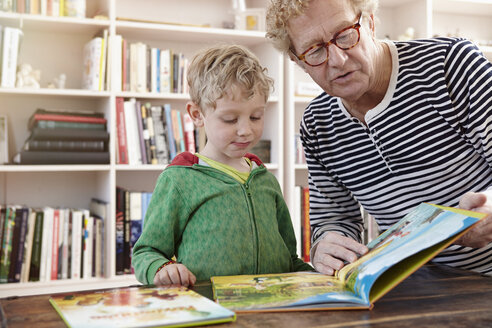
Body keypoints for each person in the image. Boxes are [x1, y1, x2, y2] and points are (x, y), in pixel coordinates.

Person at [266, 0, 492, 276]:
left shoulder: (450, 64)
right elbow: (334, 218)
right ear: (297, 60)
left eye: (345, 35)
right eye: (315, 51)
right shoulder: (317, 124)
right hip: (412, 287)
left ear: (370, 22)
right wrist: (326, 245)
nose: (338, 60)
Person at [132, 44, 313, 286]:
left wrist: (316, 277)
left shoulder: (266, 181)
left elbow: (289, 259)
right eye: (230, 119)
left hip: (272, 312)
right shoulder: (180, 180)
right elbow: (146, 252)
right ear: (197, 115)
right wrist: (162, 268)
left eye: (256, 116)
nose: (245, 130)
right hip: (211, 311)